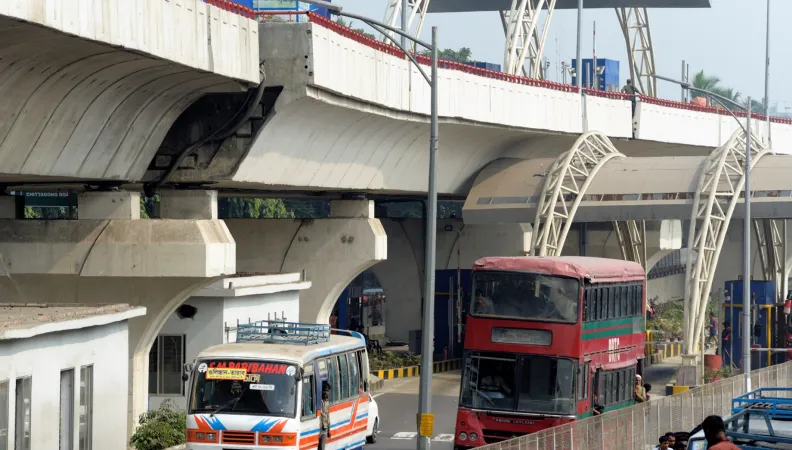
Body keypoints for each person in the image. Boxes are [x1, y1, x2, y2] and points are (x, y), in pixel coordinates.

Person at [319, 383, 331, 450]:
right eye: (325, 391)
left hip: (324, 428)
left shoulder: (327, 402)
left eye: (327, 391)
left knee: (322, 448)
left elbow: (328, 416)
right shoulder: (319, 401)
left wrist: (329, 430)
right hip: (318, 429)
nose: (326, 393)